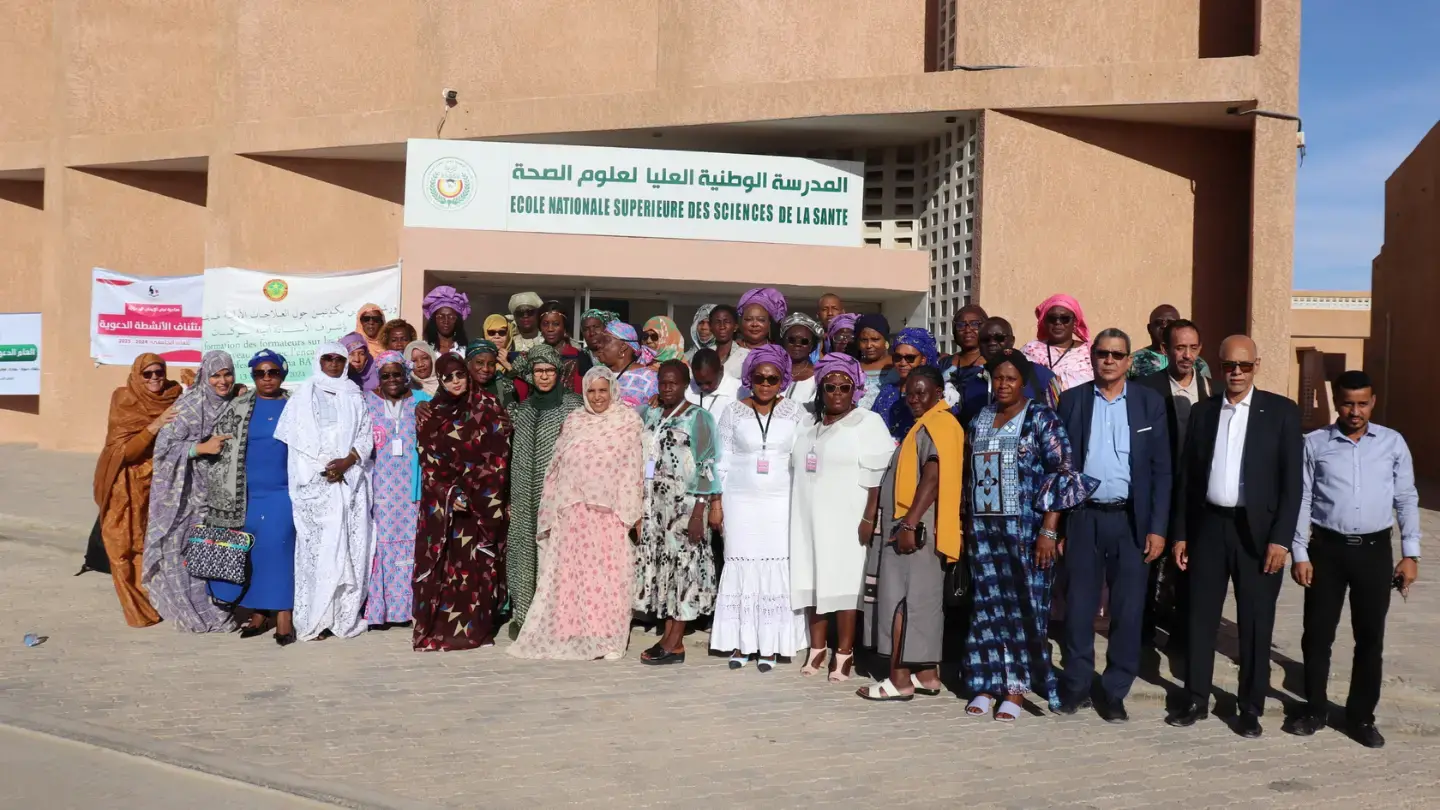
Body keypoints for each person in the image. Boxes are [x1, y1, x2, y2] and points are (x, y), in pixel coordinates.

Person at [1167, 335, 1303, 738]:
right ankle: (1194, 698)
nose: (1237, 373)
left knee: (1255, 622)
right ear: (1219, 367)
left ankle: (1250, 707)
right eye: (1229, 366)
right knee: (1199, 616)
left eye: (1244, 365)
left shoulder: (1281, 412)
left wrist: (1282, 540)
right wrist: (1181, 534)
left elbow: (1292, 485)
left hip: (1258, 535)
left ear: (1256, 365)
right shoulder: (1204, 412)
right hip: (1209, 527)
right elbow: (1187, 480)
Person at [1286, 371, 1420, 748]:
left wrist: (1411, 554)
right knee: (1317, 634)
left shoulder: (1392, 443)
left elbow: (1406, 498)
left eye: (1362, 403)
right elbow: (1303, 499)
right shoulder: (1314, 444)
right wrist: (1300, 552)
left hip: (1375, 552)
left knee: (1370, 638)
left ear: (1373, 402)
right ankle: (1314, 708)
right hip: (1326, 550)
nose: (1355, 411)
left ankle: (1360, 716)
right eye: (1347, 403)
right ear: (1336, 402)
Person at [963, 350, 1096, 719]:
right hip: (984, 533)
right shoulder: (980, 419)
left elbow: (1063, 472)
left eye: (1011, 379)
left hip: (1026, 534)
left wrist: (1049, 530)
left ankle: (1017, 690)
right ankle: (985, 683)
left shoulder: (1041, 418)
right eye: (998, 378)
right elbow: (968, 478)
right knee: (988, 609)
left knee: (1024, 608)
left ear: (1024, 382)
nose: (1003, 385)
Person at [1055, 329, 1171, 722]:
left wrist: (1157, 528)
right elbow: (1059, 468)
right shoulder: (1071, 402)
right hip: (1083, 518)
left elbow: (1161, 470)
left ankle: (1115, 690)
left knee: (1128, 610)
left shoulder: (1148, 403)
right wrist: (1056, 527)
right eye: (1102, 353)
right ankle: (1075, 685)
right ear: (1092, 356)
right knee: (1079, 609)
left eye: (1117, 355)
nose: (1109, 360)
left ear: (1127, 360)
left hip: (1131, 521)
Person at [508, 367, 645, 661]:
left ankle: (607, 636)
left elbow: (633, 468)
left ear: (613, 391)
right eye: (591, 391)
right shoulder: (574, 420)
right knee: (573, 574)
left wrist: (633, 513)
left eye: (602, 390)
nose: (597, 397)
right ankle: (573, 630)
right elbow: (556, 466)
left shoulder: (627, 421)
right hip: (573, 513)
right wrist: (552, 508)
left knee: (607, 575)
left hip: (609, 514)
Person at [856, 367, 964, 701]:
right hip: (920, 527)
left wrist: (909, 523)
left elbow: (933, 476)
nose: (914, 399)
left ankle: (899, 680)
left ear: (938, 393)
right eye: (910, 393)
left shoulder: (938, 424)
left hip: (915, 529)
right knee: (922, 602)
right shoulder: (932, 424)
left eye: (922, 392)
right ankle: (928, 675)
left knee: (899, 602)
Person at [789, 352, 893, 682]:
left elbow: (877, 474)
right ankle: (817, 647)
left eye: (844, 387)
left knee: (846, 582)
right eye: (830, 387)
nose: (836, 393)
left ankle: (844, 653)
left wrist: (868, 517)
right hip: (807, 514)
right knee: (812, 576)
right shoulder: (808, 424)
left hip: (848, 516)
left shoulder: (867, 422)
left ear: (855, 390)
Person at [712, 345, 806, 671]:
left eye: (773, 379)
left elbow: (804, 457)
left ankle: (771, 645)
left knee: (775, 568)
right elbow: (720, 461)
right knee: (740, 563)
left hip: (781, 501)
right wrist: (716, 504)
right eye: (759, 378)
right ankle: (742, 642)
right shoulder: (732, 412)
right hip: (740, 502)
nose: (765, 384)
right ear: (750, 379)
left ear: (783, 380)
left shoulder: (796, 413)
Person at [275, 342, 374, 642]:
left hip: (350, 485)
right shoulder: (302, 396)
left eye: (339, 359)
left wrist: (347, 462)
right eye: (327, 358)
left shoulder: (354, 395)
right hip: (315, 486)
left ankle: (343, 617)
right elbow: (296, 441)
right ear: (318, 360)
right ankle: (315, 621)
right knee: (316, 554)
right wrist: (324, 468)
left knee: (350, 551)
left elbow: (365, 435)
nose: (333, 363)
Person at [413, 354, 513, 651]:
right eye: (449, 377)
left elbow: (500, 453)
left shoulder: (489, 406)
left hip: (484, 500)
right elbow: (428, 459)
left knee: (480, 565)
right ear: (440, 381)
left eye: (460, 375)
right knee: (449, 565)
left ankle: (479, 630)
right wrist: (450, 492)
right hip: (447, 504)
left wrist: (486, 491)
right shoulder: (431, 413)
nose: (456, 382)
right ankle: (442, 630)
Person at [142, 350, 240, 633]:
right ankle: (189, 610)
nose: (222, 381)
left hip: (217, 491)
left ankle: (216, 609)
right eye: (216, 375)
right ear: (205, 377)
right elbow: (163, 448)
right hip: (185, 493)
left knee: (212, 546)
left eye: (227, 374)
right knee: (180, 549)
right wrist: (200, 448)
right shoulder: (189, 406)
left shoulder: (232, 402)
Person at [206, 350, 297, 644]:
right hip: (246, 493)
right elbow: (219, 446)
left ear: (282, 374)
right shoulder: (239, 407)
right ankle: (259, 613)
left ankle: (284, 614)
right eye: (260, 373)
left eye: (273, 372)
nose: (267, 378)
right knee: (254, 550)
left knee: (280, 549)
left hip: (283, 492)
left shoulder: (296, 406)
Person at [635, 360, 722, 664]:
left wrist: (701, 511)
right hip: (654, 510)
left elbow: (707, 467)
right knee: (666, 573)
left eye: (673, 383)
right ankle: (669, 636)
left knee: (684, 572)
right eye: (662, 383)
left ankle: (675, 641)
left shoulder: (699, 418)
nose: (667, 388)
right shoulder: (651, 414)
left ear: (686, 384)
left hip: (684, 509)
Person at [1134, 318, 1210, 645]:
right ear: (1165, 350)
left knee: (1188, 564)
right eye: (1180, 347)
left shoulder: (1210, 389)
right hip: (1155, 489)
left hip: (1195, 493)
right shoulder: (1145, 388)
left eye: (1193, 348)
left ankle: (1182, 634)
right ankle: (1143, 633)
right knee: (1150, 559)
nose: (1187, 355)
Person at [93, 353, 180, 627]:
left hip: (159, 482)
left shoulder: (174, 394)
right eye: (148, 374)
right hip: (125, 483)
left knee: (149, 543)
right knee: (121, 546)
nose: (155, 378)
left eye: (159, 372)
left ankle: (155, 600)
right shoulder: (124, 399)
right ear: (137, 375)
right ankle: (136, 609)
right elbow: (125, 451)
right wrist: (155, 425)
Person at [506, 345, 585, 635]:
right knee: (523, 550)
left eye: (549, 370)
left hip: (558, 494)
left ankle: (554, 616)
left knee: (555, 552)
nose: (543, 376)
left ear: (558, 372)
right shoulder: (523, 410)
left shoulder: (573, 405)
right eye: (538, 371)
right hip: (523, 491)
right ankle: (524, 614)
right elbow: (514, 453)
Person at [363, 351, 421, 629]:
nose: (392, 380)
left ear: (406, 373)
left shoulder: (421, 402)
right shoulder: (367, 404)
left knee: (412, 544)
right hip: (381, 491)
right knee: (382, 546)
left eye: (397, 373)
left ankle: (410, 608)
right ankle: (381, 610)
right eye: (385, 375)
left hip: (412, 492)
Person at [954, 317, 1063, 427]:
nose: (992, 343)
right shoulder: (971, 383)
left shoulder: (1042, 376)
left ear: (1012, 341)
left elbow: (1059, 423)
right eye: (985, 339)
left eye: (999, 338)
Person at [872, 327, 939, 440]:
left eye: (910, 358)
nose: (902, 363)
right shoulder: (887, 392)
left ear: (923, 359)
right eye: (897, 357)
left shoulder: (939, 394)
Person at [1022, 293, 1093, 392]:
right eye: (1052, 318)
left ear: (1075, 323)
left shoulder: (1090, 352)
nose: (1058, 322)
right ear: (1044, 322)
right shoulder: (1030, 349)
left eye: (1064, 319)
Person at [1129, 304, 1211, 381]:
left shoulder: (1198, 364)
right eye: (1159, 323)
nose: (1164, 326)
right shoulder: (1134, 361)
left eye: (1170, 323)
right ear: (1149, 328)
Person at [597, 322, 657, 409]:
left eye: (606, 340)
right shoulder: (597, 375)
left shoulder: (648, 378)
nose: (599, 345)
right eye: (600, 341)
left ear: (623, 347)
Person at [539, 301, 591, 392]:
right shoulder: (533, 357)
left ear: (565, 327)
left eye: (556, 324)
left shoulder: (579, 357)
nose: (550, 329)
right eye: (545, 324)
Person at [777, 312, 822, 406]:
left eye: (804, 341)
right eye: (791, 340)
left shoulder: (819, 376)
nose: (797, 344)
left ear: (812, 346)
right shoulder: (772, 371)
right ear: (783, 342)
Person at [684, 348, 740, 416]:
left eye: (708, 382)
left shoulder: (738, 392)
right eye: (699, 383)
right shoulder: (688, 389)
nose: (704, 387)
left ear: (721, 371)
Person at [465, 339, 517, 408]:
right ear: (468, 363)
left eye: (491, 364)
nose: (485, 369)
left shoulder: (502, 385)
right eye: (479, 362)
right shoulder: (459, 385)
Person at [853, 313, 891, 410]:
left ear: (886, 340)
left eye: (875, 339)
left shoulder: (898, 365)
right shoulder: (854, 368)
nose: (869, 345)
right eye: (864, 340)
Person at [422, 285, 471, 357]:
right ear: (434, 319)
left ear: (457, 320)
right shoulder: (424, 349)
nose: (446, 321)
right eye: (441, 316)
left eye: (451, 317)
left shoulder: (465, 350)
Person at [738, 287, 786, 353]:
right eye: (749, 319)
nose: (754, 324)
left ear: (769, 323)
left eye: (761, 320)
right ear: (741, 322)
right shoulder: (731, 350)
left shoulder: (778, 353)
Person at [942, 305, 987, 373]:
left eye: (975, 324)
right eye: (961, 325)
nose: (967, 330)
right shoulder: (944, 364)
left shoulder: (994, 364)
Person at [709, 305, 747, 380]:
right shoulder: (705, 354)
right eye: (717, 322)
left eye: (727, 322)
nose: (722, 326)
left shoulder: (745, 357)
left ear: (735, 326)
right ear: (711, 327)